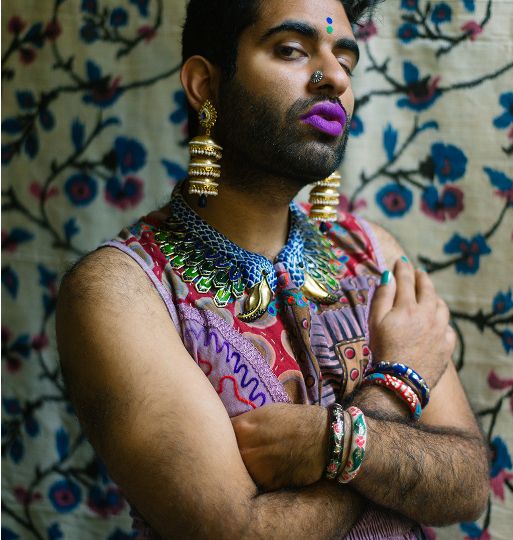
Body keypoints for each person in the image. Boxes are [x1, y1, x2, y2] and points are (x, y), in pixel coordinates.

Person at [56, 0, 490, 538]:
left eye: (346, 62)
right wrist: (393, 390)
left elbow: (469, 483)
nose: (333, 77)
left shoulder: (371, 254)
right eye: (291, 50)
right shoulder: (120, 293)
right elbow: (243, 532)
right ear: (204, 84)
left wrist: (327, 442)